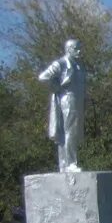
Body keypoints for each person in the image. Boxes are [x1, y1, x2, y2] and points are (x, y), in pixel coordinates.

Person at [37, 38, 90, 173]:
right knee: (69, 131)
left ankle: (65, 163)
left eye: (80, 48)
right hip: (68, 99)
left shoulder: (79, 65)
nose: (79, 51)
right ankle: (70, 163)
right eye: (76, 49)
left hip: (77, 100)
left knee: (72, 132)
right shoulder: (60, 63)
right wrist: (57, 87)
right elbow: (43, 77)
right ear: (68, 49)